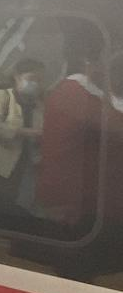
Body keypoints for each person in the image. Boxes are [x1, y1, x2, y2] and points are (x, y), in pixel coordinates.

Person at [37, 43, 105, 280]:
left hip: (66, 190)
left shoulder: (64, 90)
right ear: (90, 63)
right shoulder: (79, 95)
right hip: (74, 195)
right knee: (73, 267)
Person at [0, 58, 45, 230]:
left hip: (29, 168)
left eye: (39, 80)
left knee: (20, 211)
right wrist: (24, 132)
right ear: (17, 76)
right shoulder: (1, 96)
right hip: (0, 166)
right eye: (31, 78)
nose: (35, 84)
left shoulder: (40, 106)